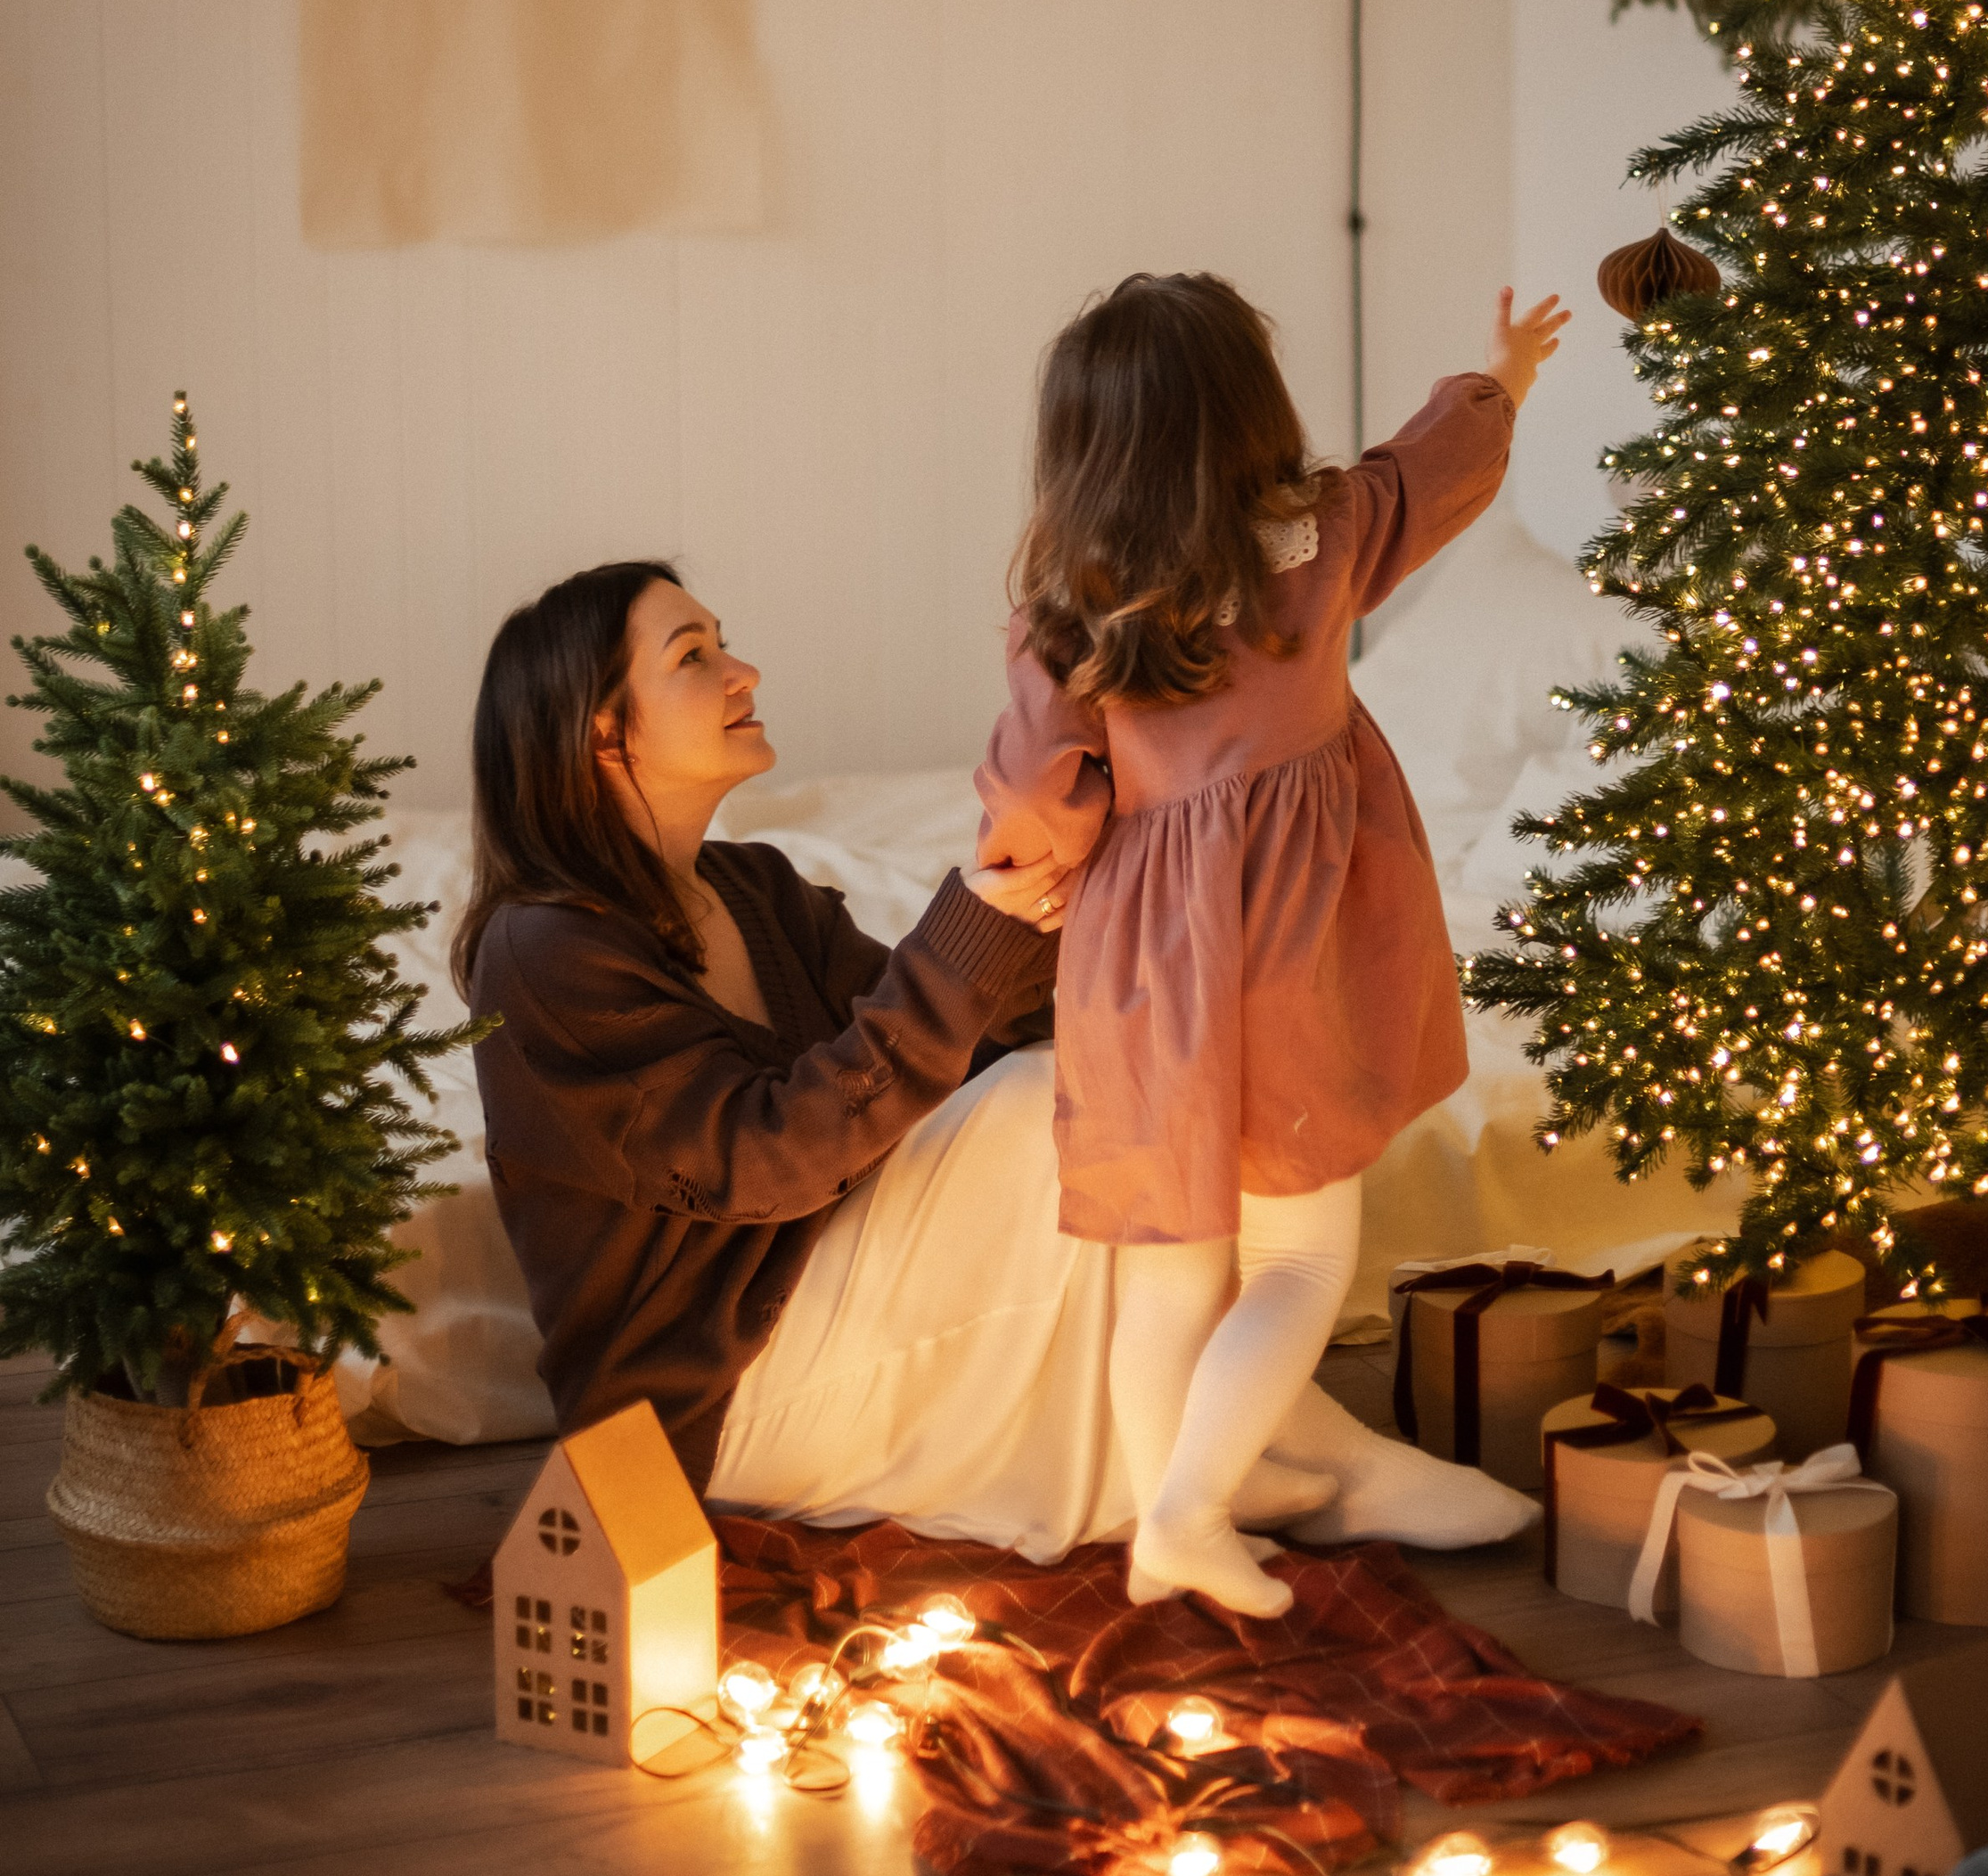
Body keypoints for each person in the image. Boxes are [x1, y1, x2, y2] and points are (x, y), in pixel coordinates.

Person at [461, 557, 1526, 1561]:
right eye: (692, 656)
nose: (742, 671)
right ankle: (1294, 1471)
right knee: (1040, 1107)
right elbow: (765, 1158)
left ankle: (1277, 1448)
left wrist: (1084, 895)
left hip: (816, 1305)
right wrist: (967, 935)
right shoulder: (544, 955)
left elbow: (947, 1047)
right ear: (603, 732)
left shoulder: (752, 886)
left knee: (1111, 1078)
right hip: (708, 1403)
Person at [974, 272, 1568, 1614]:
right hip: (1293, 952)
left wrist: (1049, 864)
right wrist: (1503, 377)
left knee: (1165, 1268)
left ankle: (1158, 1533)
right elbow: (1436, 469)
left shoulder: (1066, 616)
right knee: (1297, 1257)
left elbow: (1028, 789)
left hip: (1143, 967)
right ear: (1252, 411)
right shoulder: (1325, 536)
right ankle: (1188, 1513)